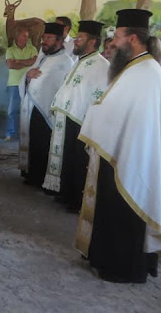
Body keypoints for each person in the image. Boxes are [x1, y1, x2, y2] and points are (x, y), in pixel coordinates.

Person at [75, 9, 161, 283]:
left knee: (124, 211)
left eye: (118, 37)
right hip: (122, 150)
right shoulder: (137, 67)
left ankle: (121, 268)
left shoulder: (146, 70)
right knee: (113, 208)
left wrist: (95, 112)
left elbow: (120, 112)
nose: (114, 42)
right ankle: (108, 260)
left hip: (132, 156)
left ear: (132, 38)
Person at [42, 21, 109, 212]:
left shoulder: (101, 65)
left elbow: (97, 95)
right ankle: (66, 193)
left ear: (93, 41)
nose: (76, 41)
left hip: (82, 120)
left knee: (79, 161)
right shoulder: (81, 60)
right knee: (68, 158)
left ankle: (76, 200)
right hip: (68, 117)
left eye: (80, 38)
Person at [19, 22, 74, 187]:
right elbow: (30, 75)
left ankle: (40, 178)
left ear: (59, 41)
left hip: (47, 110)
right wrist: (28, 75)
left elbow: (62, 88)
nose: (45, 41)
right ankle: (30, 173)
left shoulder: (65, 62)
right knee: (33, 141)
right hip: (31, 108)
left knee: (43, 143)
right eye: (44, 37)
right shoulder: (42, 56)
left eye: (49, 38)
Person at [4, 27, 38, 141]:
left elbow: (34, 61)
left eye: (27, 36)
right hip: (14, 83)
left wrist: (18, 61)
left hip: (29, 82)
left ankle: (27, 134)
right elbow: (10, 65)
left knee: (28, 109)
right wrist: (26, 63)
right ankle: (10, 133)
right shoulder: (10, 50)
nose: (26, 38)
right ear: (17, 36)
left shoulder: (32, 48)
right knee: (11, 110)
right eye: (24, 36)